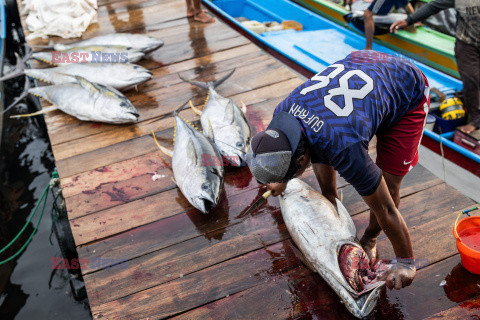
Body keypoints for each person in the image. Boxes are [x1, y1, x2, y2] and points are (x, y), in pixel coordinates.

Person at [246, 51, 430, 290]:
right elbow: (314, 144)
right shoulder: (283, 115)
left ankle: (370, 238)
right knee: (322, 139)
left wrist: (406, 261)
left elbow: (385, 208)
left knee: (389, 185)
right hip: (365, 66)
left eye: (291, 173)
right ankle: (330, 196)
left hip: (407, 89)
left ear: (300, 162)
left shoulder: (344, 147)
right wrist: (321, 193)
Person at [390, 0, 480, 134]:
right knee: (472, 78)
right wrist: (409, 20)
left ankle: (465, 97)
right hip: (467, 45)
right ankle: (475, 119)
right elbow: (435, 5)